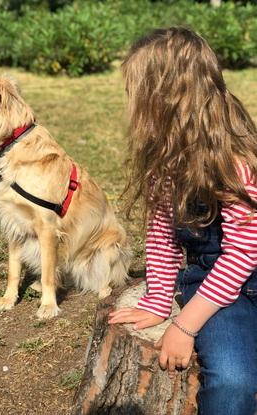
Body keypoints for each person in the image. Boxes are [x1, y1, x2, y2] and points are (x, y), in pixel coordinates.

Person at [108, 27, 257, 415]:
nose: (132, 105)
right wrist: (160, 301)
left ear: (170, 98)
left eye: (138, 94)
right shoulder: (166, 160)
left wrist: (185, 325)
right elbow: (161, 236)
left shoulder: (233, 158)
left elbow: (244, 250)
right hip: (219, 287)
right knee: (232, 380)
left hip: (243, 268)